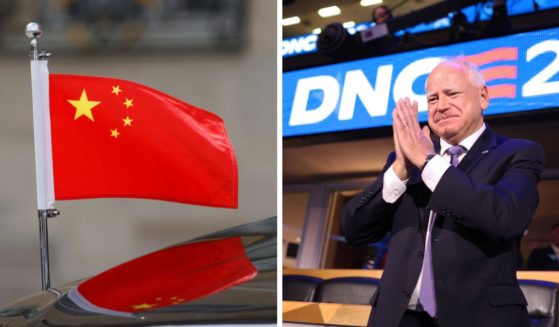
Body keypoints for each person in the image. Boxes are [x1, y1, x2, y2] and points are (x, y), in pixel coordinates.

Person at [342, 58, 544, 327]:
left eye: (452, 94)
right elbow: (355, 230)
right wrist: (400, 169)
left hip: (477, 318)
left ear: (483, 96)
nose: (441, 106)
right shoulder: (405, 159)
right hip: (398, 318)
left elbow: (506, 216)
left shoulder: (519, 153)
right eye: (433, 99)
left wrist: (429, 163)